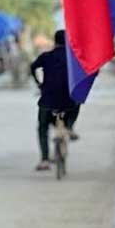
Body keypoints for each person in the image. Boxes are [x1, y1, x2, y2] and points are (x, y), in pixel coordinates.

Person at [31, 30, 81, 171]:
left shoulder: (46, 56)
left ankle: (45, 160)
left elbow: (32, 67)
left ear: (55, 41)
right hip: (68, 102)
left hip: (48, 101)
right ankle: (70, 127)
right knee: (78, 102)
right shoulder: (74, 58)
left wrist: (38, 83)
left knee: (42, 127)